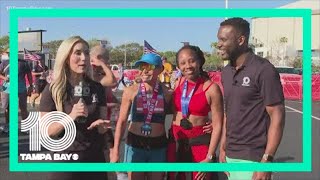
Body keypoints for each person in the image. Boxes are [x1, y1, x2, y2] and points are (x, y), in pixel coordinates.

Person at [217, 17, 285, 180]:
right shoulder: (226, 72)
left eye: (223, 39)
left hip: (253, 157)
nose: (218, 44)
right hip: (230, 155)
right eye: (218, 39)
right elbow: (228, 112)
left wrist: (266, 160)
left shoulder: (264, 69)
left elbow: (277, 115)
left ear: (241, 40)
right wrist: (223, 147)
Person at [39, 36, 111, 180]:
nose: (84, 58)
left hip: (94, 158)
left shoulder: (97, 88)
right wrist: (71, 116)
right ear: (66, 57)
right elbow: (47, 132)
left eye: (86, 52)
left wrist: (103, 126)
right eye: (77, 53)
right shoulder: (53, 90)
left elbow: (103, 127)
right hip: (65, 160)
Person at [111, 53, 172, 180]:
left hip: (158, 145)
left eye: (149, 67)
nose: (144, 70)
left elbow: (180, 115)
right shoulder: (131, 91)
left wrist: (207, 123)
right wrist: (115, 150)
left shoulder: (167, 93)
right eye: (142, 67)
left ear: (160, 69)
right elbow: (121, 121)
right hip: (135, 144)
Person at [169, 45, 223, 180]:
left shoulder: (211, 88)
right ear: (178, 66)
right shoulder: (178, 82)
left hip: (199, 143)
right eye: (182, 63)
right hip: (176, 141)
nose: (188, 66)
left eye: (192, 61)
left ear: (199, 61)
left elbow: (218, 125)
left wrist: (210, 157)